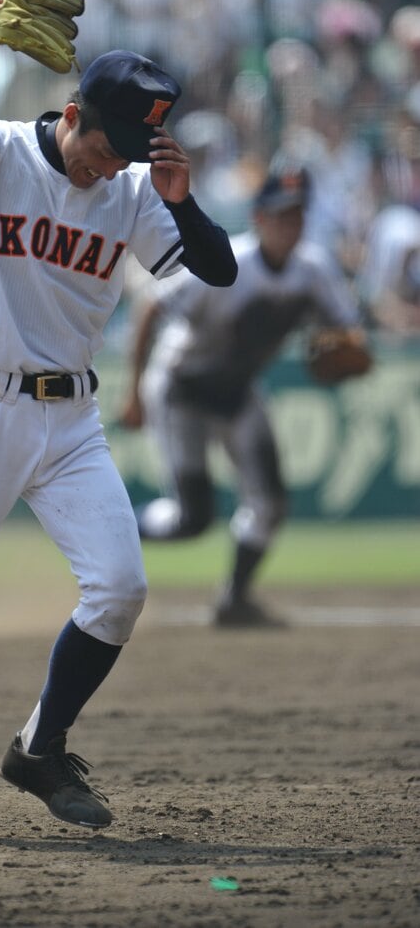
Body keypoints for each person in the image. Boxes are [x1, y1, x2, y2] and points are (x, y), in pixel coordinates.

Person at [0, 0, 238, 841]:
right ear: (72, 109)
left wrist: (183, 201)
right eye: (106, 142)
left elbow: (218, 269)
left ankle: (39, 749)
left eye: (129, 150)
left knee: (119, 588)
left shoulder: (129, 192)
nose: (110, 162)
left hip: (70, 423)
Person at [120, 165, 371, 628]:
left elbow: (347, 330)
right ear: (258, 219)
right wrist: (133, 391)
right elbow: (149, 307)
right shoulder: (227, 264)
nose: (288, 227)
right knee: (191, 520)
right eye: (279, 217)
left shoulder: (312, 271)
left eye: (296, 217)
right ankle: (110, 533)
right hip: (183, 388)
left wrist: (352, 345)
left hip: (237, 391)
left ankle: (234, 599)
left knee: (271, 503)